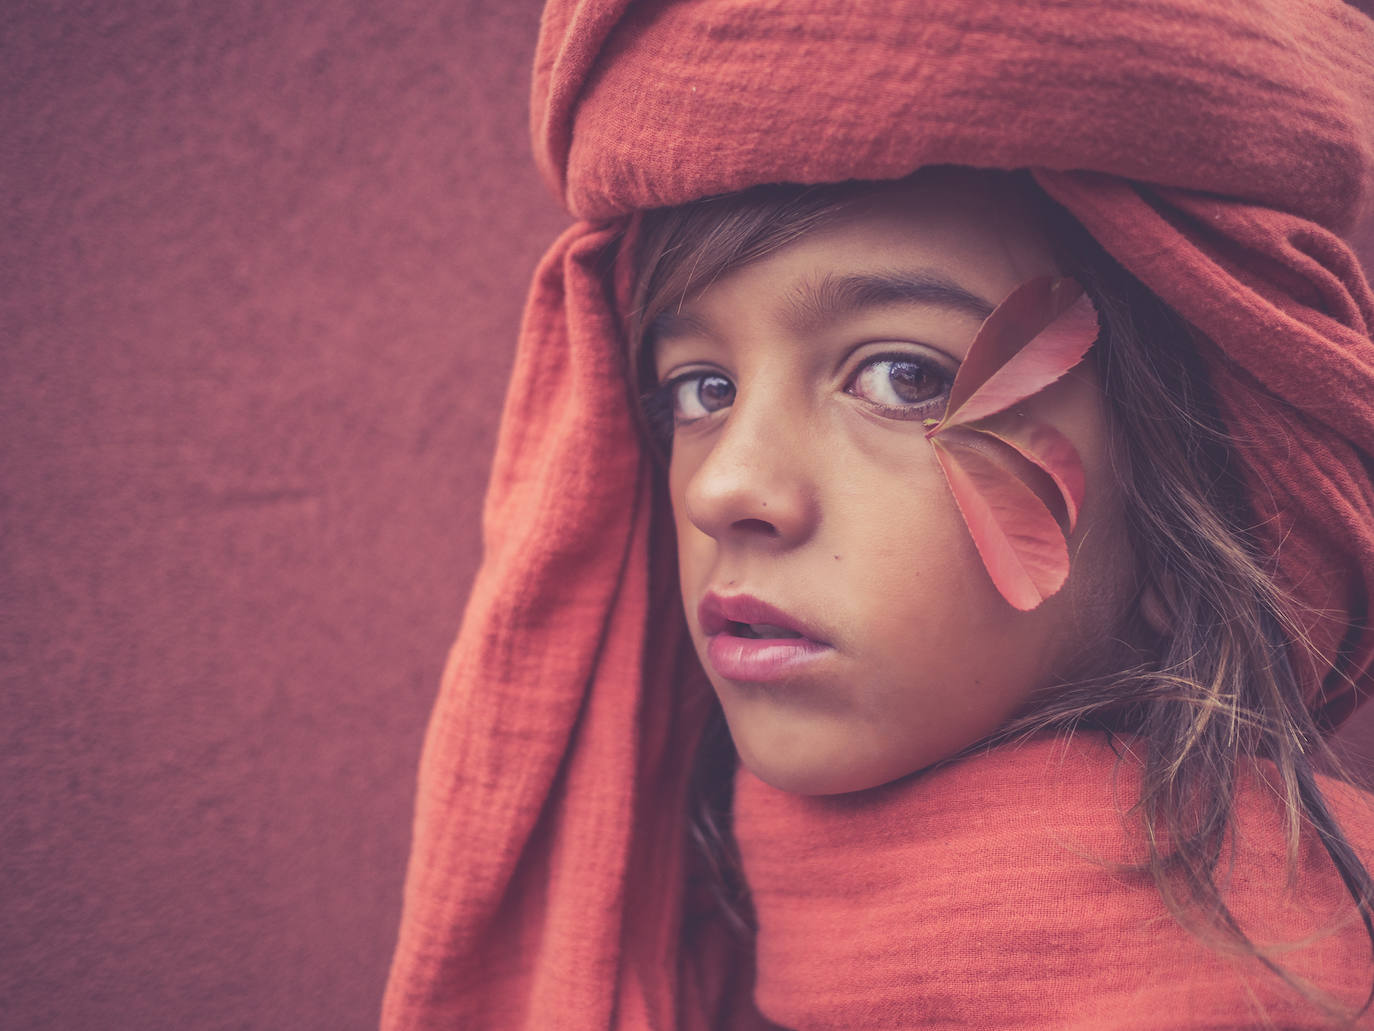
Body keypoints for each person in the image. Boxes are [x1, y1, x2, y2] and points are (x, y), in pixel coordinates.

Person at [381, 1, 1374, 1028]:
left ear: (1187, 507)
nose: (728, 487)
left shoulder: (1285, 991)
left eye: (902, 375)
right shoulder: (749, 959)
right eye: (700, 390)